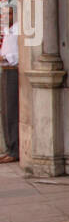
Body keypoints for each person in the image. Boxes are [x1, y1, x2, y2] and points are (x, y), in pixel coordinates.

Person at [0, 20, 19, 164]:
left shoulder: (19, 28)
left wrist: (6, 57)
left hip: (14, 71)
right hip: (5, 71)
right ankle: (9, 148)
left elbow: (21, 54)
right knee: (6, 111)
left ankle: (15, 150)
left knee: (12, 110)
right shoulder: (8, 30)